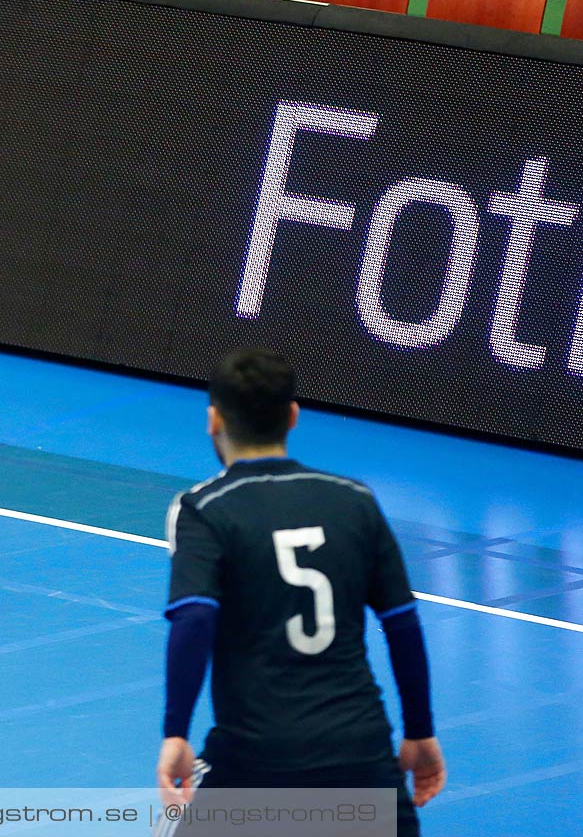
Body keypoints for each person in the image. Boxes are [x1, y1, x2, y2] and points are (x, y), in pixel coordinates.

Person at [158, 348, 446, 836]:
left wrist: (175, 733)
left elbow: (195, 619)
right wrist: (419, 731)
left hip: (255, 756)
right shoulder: (354, 501)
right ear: (293, 415)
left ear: (213, 420)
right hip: (361, 752)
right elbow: (402, 623)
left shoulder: (203, 509)